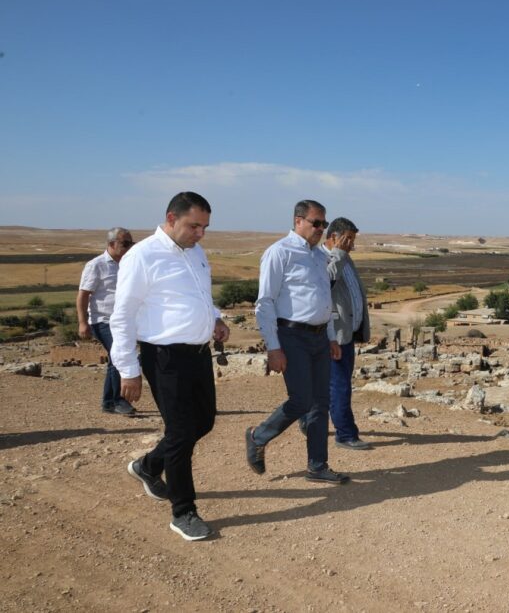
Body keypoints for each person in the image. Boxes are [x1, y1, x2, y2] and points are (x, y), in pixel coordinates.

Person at [109, 192, 229, 542]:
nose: (200, 234)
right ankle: (183, 512)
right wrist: (128, 369)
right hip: (164, 357)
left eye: (205, 227)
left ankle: (147, 466)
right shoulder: (143, 257)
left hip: (197, 354)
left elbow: (198, 297)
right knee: (179, 433)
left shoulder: (196, 252)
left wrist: (216, 319)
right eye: (194, 226)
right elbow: (122, 315)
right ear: (171, 218)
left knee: (203, 422)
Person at [246, 200, 348, 484]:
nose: (321, 228)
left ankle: (317, 465)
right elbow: (265, 302)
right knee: (302, 400)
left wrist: (329, 337)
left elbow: (323, 299)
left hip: (318, 338)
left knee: (320, 404)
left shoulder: (318, 256)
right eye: (316, 223)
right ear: (298, 221)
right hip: (291, 336)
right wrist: (273, 347)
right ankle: (258, 437)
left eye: (323, 224)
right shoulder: (279, 253)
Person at [300, 217, 371, 450]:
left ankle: (306, 417)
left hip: (347, 333)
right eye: (348, 239)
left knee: (329, 383)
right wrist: (339, 254)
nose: (351, 244)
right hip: (334, 335)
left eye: (352, 239)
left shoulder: (346, 259)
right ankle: (346, 434)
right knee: (339, 385)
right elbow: (326, 282)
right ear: (334, 238)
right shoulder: (321, 258)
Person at [76, 227, 136, 415]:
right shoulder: (97, 265)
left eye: (131, 243)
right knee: (119, 356)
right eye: (125, 243)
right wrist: (82, 322)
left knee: (116, 358)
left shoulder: (128, 263)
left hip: (124, 320)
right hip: (103, 320)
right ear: (111, 244)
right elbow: (83, 295)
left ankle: (110, 402)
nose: (129, 247)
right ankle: (115, 401)